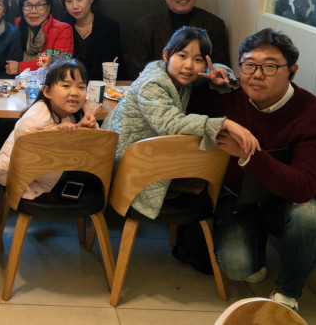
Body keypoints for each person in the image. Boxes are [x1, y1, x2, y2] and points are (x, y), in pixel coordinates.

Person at [187, 28, 316, 313]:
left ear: (291, 71)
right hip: (236, 197)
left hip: (286, 201)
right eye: (249, 65)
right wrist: (208, 78)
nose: (257, 75)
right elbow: (182, 104)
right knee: (238, 268)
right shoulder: (228, 97)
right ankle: (255, 250)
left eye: (269, 67)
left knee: (311, 218)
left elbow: (305, 187)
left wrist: (248, 154)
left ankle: (287, 294)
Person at [101, 26, 259, 221]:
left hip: (151, 154)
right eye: (182, 56)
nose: (189, 66)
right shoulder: (152, 83)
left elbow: (213, 71)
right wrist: (225, 124)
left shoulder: (182, 78)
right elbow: (170, 124)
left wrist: (218, 72)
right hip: (125, 160)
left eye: (198, 60)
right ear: (166, 55)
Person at [0, 59, 99, 199]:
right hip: (16, 173)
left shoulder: (71, 111)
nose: (75, 92)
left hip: (48, 168)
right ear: (47, 91)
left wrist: (85, 126)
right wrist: (55, 133)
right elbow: (24, 141)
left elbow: (82, 142)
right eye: (66, 85)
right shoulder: (36, 117)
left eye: (81, 87)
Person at [128, 0, 230, 79]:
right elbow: (136, 71)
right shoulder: (145, 25)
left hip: (199, 87)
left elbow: (222, 69)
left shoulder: (214, 25)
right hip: (156, 87)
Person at [60, 0, 121, 82]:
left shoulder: (109, 26)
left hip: (101, 83)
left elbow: (109, 64)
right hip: (70, 82)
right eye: (69, 1)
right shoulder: (62, 26)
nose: (75, 6)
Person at [5, 0, 74, 76]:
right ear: (22, 8)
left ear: (48, 8)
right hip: (17, 82)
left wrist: (20, 67)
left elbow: (60, 64)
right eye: (28, 5)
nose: (33, 11)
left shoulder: (63, 29)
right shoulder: (15, 26)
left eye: (39, 5)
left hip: (49, 82)